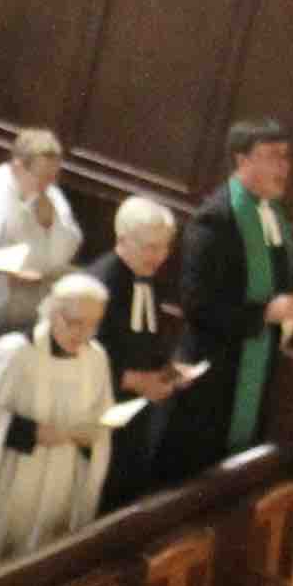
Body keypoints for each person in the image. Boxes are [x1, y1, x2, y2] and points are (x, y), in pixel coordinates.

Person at [153, 118, 293, 489]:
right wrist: (266, 313)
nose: (283, 167)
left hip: (253, 371)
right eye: (272, 156)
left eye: (287, 157)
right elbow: (197, 306)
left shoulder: (275, 215)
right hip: (211, 379)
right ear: (241, 161)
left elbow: (277, 286)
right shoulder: (216, 219)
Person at [0, 272, 116, 577]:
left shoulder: (96, 358)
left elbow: (102, 416)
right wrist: (30, 432)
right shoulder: (15, 351)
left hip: (61, 477)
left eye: (92, 325)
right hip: (12, 474)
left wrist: (95, 434)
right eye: (74, 322)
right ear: (53, 311)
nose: (83, 334)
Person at [0, 128, 80, 366]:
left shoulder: (51, 199)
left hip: (27, 308)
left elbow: (66, 249)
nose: (47, 185)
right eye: (41, 176)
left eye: (53, 177)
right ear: (17, 167)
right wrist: (8, 274)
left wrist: (50, 224)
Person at [88, 194, 188, 506]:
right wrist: (138, 381)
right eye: (150, 247)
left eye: (165, 247)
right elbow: (91, 355)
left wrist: (167, 371)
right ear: (123, 239)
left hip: (134, 413)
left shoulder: (149, 282)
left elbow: (148, 340)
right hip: (100, 409)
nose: (160, 256)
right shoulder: (100, 284)